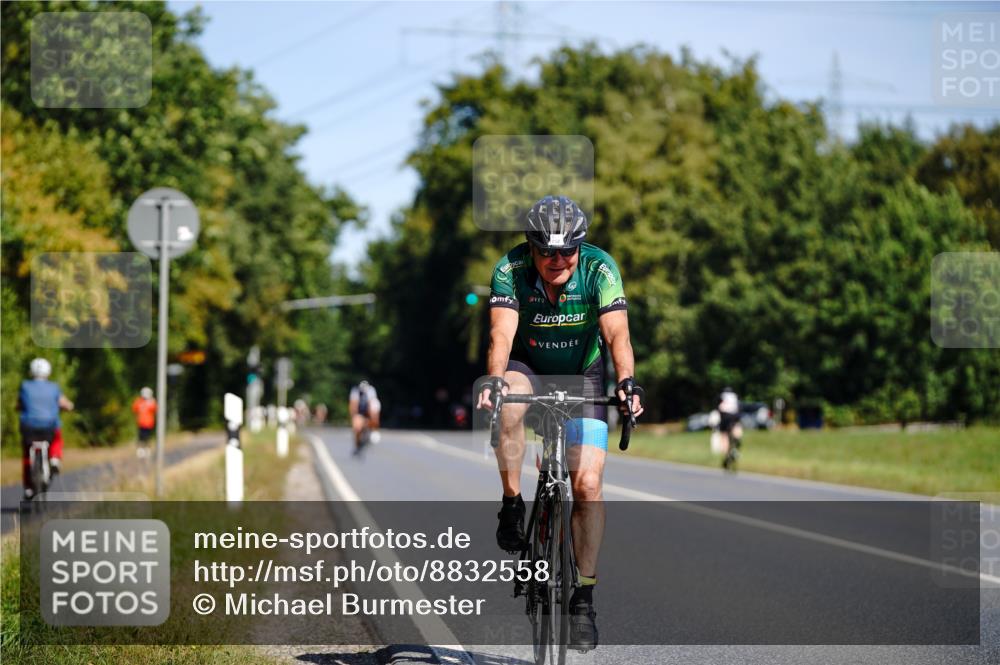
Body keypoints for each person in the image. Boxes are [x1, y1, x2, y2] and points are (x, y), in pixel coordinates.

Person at [476, 195, 645, 652]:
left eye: (566, 250)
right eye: (546, 251)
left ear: (580, 246)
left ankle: (583, 597)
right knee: (508, 405)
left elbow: (617, 335)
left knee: (587, 483)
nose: (556, 260)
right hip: (527, 366)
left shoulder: (600, 269)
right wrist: (494, 379)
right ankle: (512, 501)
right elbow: (501, 333)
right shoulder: (510, 270)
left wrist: (627, 383)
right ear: (530, 247)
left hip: (584, 374)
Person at [18, 358, 73, 499]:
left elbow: (20, 404)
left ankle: (28, 488)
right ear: (48, 372)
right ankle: (54, 458)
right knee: (56, 438)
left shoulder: (25, 386)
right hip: (49, 427)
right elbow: (64, 403)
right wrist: (69, 406)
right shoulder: (54, 387)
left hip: (28, 427)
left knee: (26, 454)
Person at [349, 380, 381, 453]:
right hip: (359, 412)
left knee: (373, 420)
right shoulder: (355, 391)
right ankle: (357, 444)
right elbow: (353, 405)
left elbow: (371, 405)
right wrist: (354, 416)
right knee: (356, 428)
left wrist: (370, 418)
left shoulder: (371, 391)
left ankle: (372, 431)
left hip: (368, 411)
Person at [717, 386, 743, 469]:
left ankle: (726, 455)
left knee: (724, 437)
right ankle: (736, 446)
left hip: (725, 418)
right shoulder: (735, 397)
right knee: (737, 431)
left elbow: (719, 409)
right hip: (735, 418)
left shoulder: (721, 396)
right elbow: (739, 409)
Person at [131, 387, 157, 458]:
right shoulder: (139, 401)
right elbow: (134, 408)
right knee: (141, 437)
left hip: (149, 423)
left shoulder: (152, 401)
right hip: (141, 423)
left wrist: (151, 402)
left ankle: (147, 449)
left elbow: (155, 409)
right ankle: (140, 450)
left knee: (147, 437)